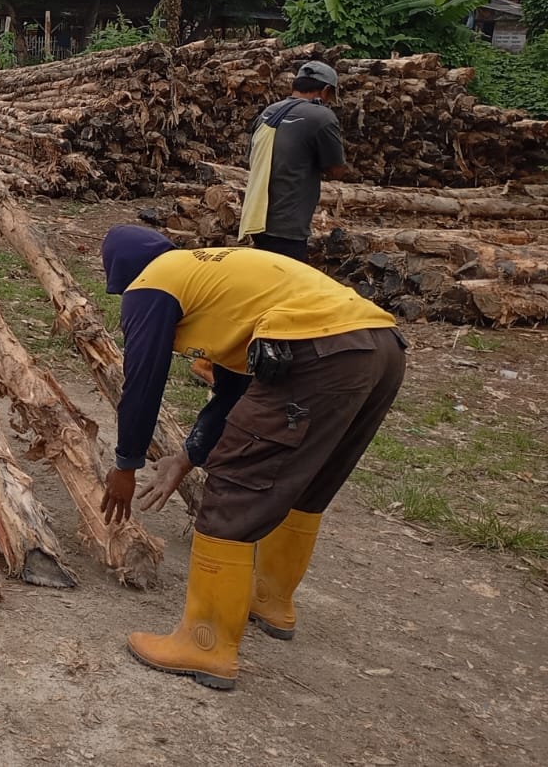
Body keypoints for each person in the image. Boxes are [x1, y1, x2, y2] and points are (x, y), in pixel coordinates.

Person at [98, 225, 406, 691]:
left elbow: (142, 382)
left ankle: (206, 644)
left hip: (320, 352)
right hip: (379, 347)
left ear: (121, 274)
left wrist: (126, 465)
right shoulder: (214, 281)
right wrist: (186, 457)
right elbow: (236, 393)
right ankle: (270, 601)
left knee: (234, 488)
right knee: (307, 480)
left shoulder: (151, 285)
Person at [238, 61, 349, 263]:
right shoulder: (322, 117)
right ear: (325, 90)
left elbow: (253, 159)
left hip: (256, 218)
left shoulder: (267, 113)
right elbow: (336, 171)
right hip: (289, 225)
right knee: (287, 286)